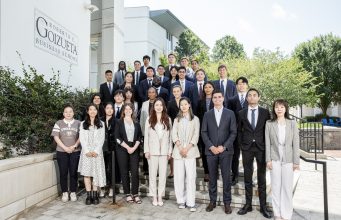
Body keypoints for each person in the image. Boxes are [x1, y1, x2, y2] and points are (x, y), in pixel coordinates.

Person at [237, 88, 272, 218]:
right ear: (246, 98)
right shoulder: (241, 113)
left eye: (254, 95)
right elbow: (239, 131)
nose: (252, 97)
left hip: (261, 148)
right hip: (247, 148)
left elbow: (267, 130)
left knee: (262, 178)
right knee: (247, 176)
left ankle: (263, 207)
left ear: (258, 97)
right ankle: (248, 204)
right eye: (249, 95)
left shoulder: (265, 112)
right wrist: (241, 144)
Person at [201, 89, 237, 215]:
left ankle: (227, 203)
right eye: (214, 97)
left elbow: (233, 132)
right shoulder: (207, 114)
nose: (217, 99)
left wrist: (224, 146)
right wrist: (211, 146)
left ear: (223, 98)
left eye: (219, 97)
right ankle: (212, 201)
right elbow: (203, 132)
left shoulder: (230, 113)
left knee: (226, 177)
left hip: (226, 151)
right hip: (211, 151)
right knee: (212, 177)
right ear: (212, 99)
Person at [265, 99, 300, 220]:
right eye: (276, 107)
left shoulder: (292, 123)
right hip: (274, 158)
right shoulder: (269, 123)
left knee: (287, 187)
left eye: (281, 107)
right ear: (274, 109)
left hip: (288, 159)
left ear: (285, 109)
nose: (279, 109)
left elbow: (296, 143)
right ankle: (277, 214)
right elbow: (268, 143)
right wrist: (268, 159)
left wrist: (296, 162)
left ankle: (286, 214)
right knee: (275, 187)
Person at [172, 97, 200, 212]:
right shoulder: (176, 119)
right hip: (178, 152)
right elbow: (174, 134)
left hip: (190, 151)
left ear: (189, 105)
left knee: (191, 177)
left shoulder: (195, 119)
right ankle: (181, 201)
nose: (183, 106)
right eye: (181, 104)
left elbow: (196, 136)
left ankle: (191, 202)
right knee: (179, 178)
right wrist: (180, 147)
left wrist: (186, 148)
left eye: (185, 104)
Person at [144, 98, 173, 207]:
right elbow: (146, 136)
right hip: (152, 151)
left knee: (162, 175)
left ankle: (160, 195)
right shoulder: (149, 119)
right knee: (152, 175)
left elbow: (170, 137)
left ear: (163, 106)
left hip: (164, 152)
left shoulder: (168, 119)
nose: (159, 107)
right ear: (154, 106)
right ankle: (154, 196)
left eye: (161, 105)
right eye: (157, 105)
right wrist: (146, 150)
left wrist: (170, 151)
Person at [51, 104, 81, 202]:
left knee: (73, 172)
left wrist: (74, 146)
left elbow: (81, 137)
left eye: (70, 111)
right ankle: (64, 192)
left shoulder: (78, 123)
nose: (68, 113)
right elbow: (56, 137)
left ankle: (72, 192)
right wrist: (64, 148)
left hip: (75, 151)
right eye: (66, 112)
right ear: (63, 113)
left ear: (73, 113)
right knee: (63, 173)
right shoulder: (59, 123)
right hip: (61, 151)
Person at [78, 103, 106, 205]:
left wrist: (96, 151)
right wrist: (86, 151)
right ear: (87, 111)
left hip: (97, 153)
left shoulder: (101, 123)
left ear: (97, 111)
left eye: (94, 109)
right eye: (90, 109)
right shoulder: (82, 124)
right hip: (86, 153)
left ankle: (95, 195)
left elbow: (101, 139)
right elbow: (82, 139)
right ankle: (88, 195)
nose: (92, 111)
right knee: (87, 174)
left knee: (95, 174)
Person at [115, 103, 143, 204]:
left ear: (132, 110)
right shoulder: (119, 122)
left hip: (134, 148)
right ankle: (127, 194)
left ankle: (135, 193)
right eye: (125, 109)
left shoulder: (136, 122)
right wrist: (127, 147)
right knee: (124, 171)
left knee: (135, 172)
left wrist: (134, 147)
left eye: (129, 109)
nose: (128, 110)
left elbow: (140, 137)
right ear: (123, 111)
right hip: (122, 148)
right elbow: (117, 137)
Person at [227, 76, 249, 186]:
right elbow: (229, 117)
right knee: (234, 155)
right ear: (236, 86)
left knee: (248, 156)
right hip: (235, 132)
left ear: (247, 86)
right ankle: (234, 176)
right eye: (239, 83)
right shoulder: (231, 100)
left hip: (248, 133)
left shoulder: (251, 99)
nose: (241, 85)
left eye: (243, 83)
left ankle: (248, 178)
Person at [197, 81, 215, 182]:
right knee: (205, 152)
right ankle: (207, 172)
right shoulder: (200, 101)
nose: (207, 89)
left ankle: (214, 172)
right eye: (206, 87)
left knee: (214, 151)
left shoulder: (217, 99)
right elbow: (198, 116)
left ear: (213, 88)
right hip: (204, 129)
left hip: (215, 130)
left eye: (209, 87)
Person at [99, 102, 117, 198]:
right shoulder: (100, 120)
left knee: (111, 170)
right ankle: (102, 188)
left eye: (111, 108)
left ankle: (111, 188)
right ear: (104, 109)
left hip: (112, 149)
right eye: (107, 108)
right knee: (102, 169)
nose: (109, 110)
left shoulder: (116, 121)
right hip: (101, 148)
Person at [140, 87, 158, 175]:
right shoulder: (144, 104)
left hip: (157, 131)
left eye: (153, 92)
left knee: (156, 150)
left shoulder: (159, 103)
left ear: (156, 94)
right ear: (148, 94)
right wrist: (142, 131)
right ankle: (146, 169)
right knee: (146, 150)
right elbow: (142, 119)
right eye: (149, 92)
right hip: (146, 131)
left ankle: (156, 170)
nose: (151, 94)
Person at [167, 85, 183, 179]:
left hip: (184, 128)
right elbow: (168, 116)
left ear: (181, 91)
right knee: (173, 150)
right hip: (173, 128)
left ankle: (181, 170)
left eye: (178, 91)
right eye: (174, 91)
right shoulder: (170, 103)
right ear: (173, 93)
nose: (176, 93)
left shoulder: (185, 101)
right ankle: (172, 171)